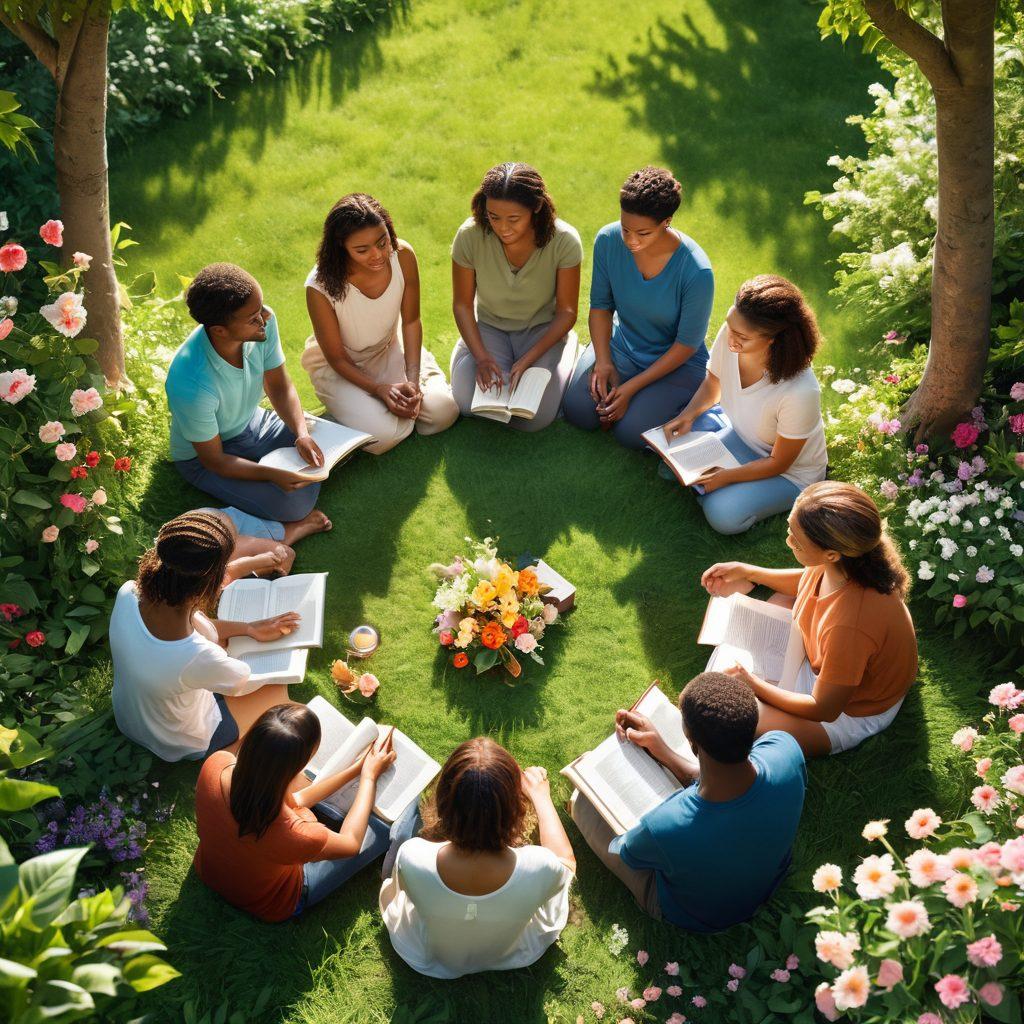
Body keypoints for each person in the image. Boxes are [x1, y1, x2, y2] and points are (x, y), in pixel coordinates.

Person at [570, 672, 805, 931]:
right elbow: (728, 777)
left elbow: (626, 851)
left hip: (699, 914)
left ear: (693, 744)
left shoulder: (664, 825)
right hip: (770, 873)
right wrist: (665, 752)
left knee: (583, 804)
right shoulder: (786, 748)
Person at [701, 481, 918, 756]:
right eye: (790, 530)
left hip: (849, 712)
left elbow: (823, 709)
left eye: (796, 540)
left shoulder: (851, 624)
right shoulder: (843, 565)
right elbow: (809, 580)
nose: (788, 541)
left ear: (831, 553)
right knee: (773, 607)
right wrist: (749, 572)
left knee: (727, 712)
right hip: (828, 668)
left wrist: (752, 684)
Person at [110, 511, 301, 762]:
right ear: (206, 587)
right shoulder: (199, 655)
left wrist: (249, 628)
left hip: (129, 717)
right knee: (272, 698)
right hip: (180, 742)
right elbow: (241, 680)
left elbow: (198, 622)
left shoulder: (130, 593)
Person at [380, 737, 575, 978]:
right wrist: (541, 797)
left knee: (400, 834)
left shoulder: (413, 856)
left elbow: (398, 893)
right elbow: (567, 862)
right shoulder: (539, 866)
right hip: (511, 952)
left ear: (443, 802)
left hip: (430, 956)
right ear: (515, 809)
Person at [194, 704, 400, 922]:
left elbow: (296, 801)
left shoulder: (217, 764)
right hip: (273, 899)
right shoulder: (295, 833)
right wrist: (368, 777)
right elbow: (351, 843)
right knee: (379, 832)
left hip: (210, 871)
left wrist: (355, 770)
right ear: (293, 768)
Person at [660, 275, 828, 534]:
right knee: (669, 467)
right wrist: (688, 415)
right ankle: (713, 433)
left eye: (742, 337)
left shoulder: (800, 391)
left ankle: (727, 478)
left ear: (774, 339)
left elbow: (779, 463)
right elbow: (713, 383)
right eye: (730, 325)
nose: (730, 339)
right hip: (741, 436)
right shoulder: (733, 336)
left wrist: (726, 477)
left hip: (788, 473)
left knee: (723, 515)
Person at [166, 263, 331, 525]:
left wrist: (300, 434)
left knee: (326, 437)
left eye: (261, 308)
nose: (265, 317)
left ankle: (303, 469)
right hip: (205, 457)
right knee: (292, 506)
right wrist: (270, 474)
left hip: (254, 423)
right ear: (220, 330)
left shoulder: (262, 324)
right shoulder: (191, 382)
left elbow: (279, 386)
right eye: (253, 317)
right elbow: (215, 460)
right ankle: (297, 494)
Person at [563, 166, 715, 449]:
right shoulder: (608, 241)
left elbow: (686, 345)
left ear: (666, 222)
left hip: (676, 363)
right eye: (626, 229)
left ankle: (697, 405)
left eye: (643, 233)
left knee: (630, 432)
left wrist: (630, 388)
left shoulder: (696, 271)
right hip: (623, 347)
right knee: (578, 411)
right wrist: (605, 361)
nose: (632, 241)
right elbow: (600, 307)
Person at [302, 194, 460, 454]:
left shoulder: (403, 255)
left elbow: (410, 322)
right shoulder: (319, 286)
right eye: (362, 250)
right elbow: (337, 358)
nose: (378, 255)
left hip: (388, 350)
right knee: (383, 437)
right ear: (341, 248)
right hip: (341, 368)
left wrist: (412, 381)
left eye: (382, 241)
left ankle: (379, 409)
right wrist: (379, 389)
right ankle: (353, 411)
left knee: (443, 412)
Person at [449, 162, 583, 430]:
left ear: (536, 208)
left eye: (513, 219)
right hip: (490, 328)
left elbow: (567, 312)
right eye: (494, 216)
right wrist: (483, 358)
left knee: (534, 419)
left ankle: (568, 350)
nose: (502, 228)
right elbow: (463, 305)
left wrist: (528, 359)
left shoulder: (565, 241)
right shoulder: (469, 235)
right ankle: (467, 348)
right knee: (467, 405)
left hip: (541, 331)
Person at [198, 505, 332, 581]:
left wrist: (258, 566)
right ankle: (278, 536)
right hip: (210, 558)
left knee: (281, 554)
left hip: (212, 529)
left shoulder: (212, 543)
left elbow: (285, 555)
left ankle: (283, 533)